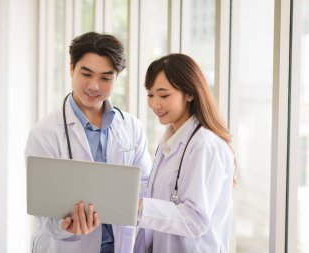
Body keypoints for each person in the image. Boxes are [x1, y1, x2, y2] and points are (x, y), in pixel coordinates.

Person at [25, 32, 151, 253]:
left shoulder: (131, 127)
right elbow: (43, 210)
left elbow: (146, 185)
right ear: (71, 68)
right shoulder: (45, 133)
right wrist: (67, 227)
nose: (94, 86)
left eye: (105, 78)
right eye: (86, 73)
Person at [134, 53, 236, 253]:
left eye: (163, 95)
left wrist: (139, 207)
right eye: (150, 94)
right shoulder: (171, 141)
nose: (155, 104)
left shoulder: (204, 146)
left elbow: (195, 219)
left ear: (189, 93)